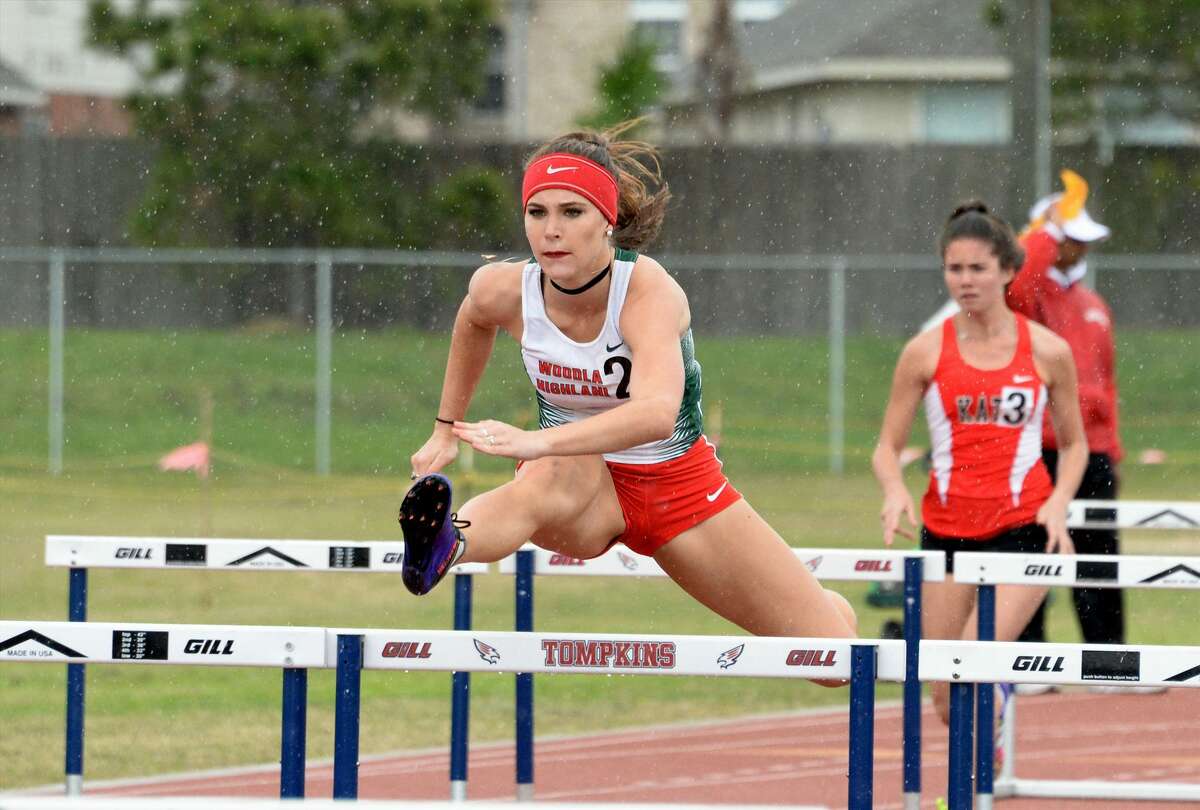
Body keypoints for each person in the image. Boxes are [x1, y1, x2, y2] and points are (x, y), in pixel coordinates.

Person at [399, 122, 857, 679]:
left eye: (572, 213)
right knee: (544, 479)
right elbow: (473, 320)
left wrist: (536, 439)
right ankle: (446, 541)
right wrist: (446, 427)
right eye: (537, 213)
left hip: (677, 487)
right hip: (581, 488)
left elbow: (654, 413)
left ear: (607, 220)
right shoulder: (502, 288)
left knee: (834, 660)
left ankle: (828, 609)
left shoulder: (647, 292)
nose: (551, 232)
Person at [872, 201, 1088, 723]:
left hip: (1023, 526)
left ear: (1008, 270)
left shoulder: (1047, 351)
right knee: (945, 694)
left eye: (977, 269)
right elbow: (886, 447)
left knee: (970, 661)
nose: (965, 281)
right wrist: (895, 489)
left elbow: (1076, 443)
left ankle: (973, 781)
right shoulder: (923, 352)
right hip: (948, 530)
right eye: (954, 269)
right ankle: (985, 726)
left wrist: (1059, 502)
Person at [1007, 171, 1152, 693]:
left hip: (1090, 454)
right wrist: (1044, 230)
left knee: (1099, 557)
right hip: (1036, 449)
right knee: (1031, 554)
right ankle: (1026, 665)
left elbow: (1107, 387)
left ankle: (1107, 665)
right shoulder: (1024, 296)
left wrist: (1111, 449)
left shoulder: (1095, 305)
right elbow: (1019, 281)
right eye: (1070, 238)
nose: (1079, 249)